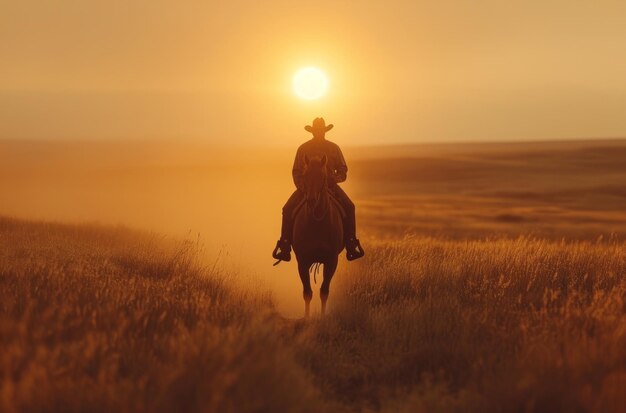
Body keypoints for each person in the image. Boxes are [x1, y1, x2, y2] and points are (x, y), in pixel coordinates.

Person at [272, 117, 365, 262]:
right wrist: (303, 186)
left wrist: (336, 178)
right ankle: (285, 244)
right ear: (313, 132)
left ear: (325, 131)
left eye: (321, 131)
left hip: (330, 187)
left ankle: (350, 242)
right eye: (317, 131)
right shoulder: (303, 149)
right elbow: (296, 171)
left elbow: (342, 169)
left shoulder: (334, 148)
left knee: (349, 206)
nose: (319, 133)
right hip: (306, 188)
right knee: (287, 208)